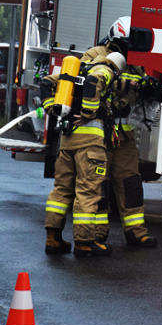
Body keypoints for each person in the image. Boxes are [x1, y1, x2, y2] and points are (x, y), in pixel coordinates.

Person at [40, 51, 127, 257]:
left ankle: (53, 239)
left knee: (61, 190)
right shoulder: (104, 70)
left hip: (68, 140)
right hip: (90, 145)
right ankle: (84, 242)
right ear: (117, 69)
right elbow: (93, 81)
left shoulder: (77, 69)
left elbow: (45, 82)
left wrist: (52, 109)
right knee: (88, 191)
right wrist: (89, 113)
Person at [81, 16, 157, 248]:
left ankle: (136, 232)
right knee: (98, 185)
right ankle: (97, 232)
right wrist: (126, 85)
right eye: (124, 45)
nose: (128, 51)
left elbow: (141, 89)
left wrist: (148, 87)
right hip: (99, 135)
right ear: (115, 40)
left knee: (131, 184)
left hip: (124, 137)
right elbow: (88, 80)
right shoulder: (94, 55)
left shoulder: (136, 63)